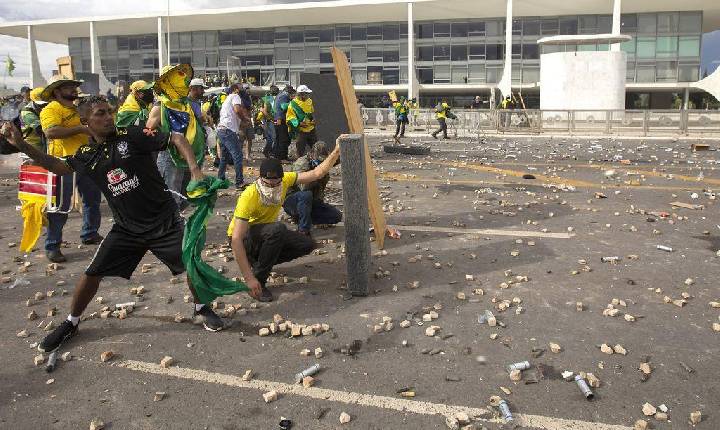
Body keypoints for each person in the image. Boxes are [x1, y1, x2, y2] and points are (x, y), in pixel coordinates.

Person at [1, 97, 240, 352]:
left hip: (164, 222)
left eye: (109, 112)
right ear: (85, 122)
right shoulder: (86, 154)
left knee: (191, 265)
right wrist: (22, 144)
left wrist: (195, 171)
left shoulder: (134, 135)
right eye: (100, 114)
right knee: (92, 273)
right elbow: (57, 166)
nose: (108, 118)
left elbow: (178, 139)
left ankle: (201, 307)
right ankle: (71, 322)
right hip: (126, 229)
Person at [228, 145, 341, 302]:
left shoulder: (286, 179)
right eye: (268, 183)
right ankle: (258, 281)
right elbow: (236, 239)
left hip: (265, 233)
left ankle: (260, 263)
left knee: (306, 244)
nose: (273, 187)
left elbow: (317, 173)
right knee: (277, 229)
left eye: (276, 183)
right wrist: (249, 279)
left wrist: (336, 151)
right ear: (260, 179)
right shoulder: (249, 196)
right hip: (245, 239)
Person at [39, 76, 103, 263]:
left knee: (92, 199)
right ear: (57, 91)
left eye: (75, 87)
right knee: (60, 206)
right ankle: (53, 245)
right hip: (63, 163)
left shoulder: (77, 109)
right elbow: (51, 132)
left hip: (85, 160)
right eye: (69, 87)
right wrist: (81, 129)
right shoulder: (51, 109)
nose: (74, 90)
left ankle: (90, 233)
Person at [147, 64, 206, 211]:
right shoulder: (160, 105)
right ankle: (170, 226)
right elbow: (148, 131)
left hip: (186, 156)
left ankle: (175, 220)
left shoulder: (183, 104)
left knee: (181, 193)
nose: (182, 82)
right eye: (177, 78)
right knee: (170, 194)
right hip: (169, 156)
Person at [283, 141, 342, 236]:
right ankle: (303, 231)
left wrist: (338, 149)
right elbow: (303, 188)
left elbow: (336, 159)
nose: (321, 163)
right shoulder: (302, 163)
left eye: (324, 161)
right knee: (306, 195)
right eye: (319, 160)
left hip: (311, 202)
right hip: (294, 200)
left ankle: (303, 218)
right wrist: (317, 174)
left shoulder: (322, 162)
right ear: (312, 155)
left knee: (336, 216)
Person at [216, 83, 248, 189]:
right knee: (237, 156)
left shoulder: (227, 99)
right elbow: (237, 110)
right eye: (241, 87)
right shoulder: (235, 96)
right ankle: (239, 182)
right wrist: (244, 119)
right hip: (228, 130)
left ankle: (220, 179)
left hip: (221, 130)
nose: (242, 89)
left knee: (224, 157)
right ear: (235, 89)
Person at [286, 84, 316, 158]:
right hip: (301, 131)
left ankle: (316, 163)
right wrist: (299, 123)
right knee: (300, 149)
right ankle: (300, 164)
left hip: (311, 129)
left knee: (315, 147)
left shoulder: (309, 101)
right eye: (306, 94)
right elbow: (290, 117)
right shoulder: (293, 104)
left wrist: (314, 119)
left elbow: (311, 112)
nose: (308, 96)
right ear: (301, 94)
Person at [19, 87, 48, 152]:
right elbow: (41, 129)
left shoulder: (48, 107)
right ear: (33, 101)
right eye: (41, 104)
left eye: (45, 103)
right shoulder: (26, 112)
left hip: (44, 143)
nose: (43, 106)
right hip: (33, 146)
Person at [273, 85, 294, 162]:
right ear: (289, 91)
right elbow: (284, 107)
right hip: (281, 119)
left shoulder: (279, 95)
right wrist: (292, 102)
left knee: (278, 138)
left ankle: (277, 156)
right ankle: (283, 157)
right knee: (284, 138)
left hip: (276, 119)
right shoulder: (284, 96)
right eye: (291, 93)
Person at [261, 85, 278, 159]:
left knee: (270, 138)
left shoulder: (269, 98)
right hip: (269, 121)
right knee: (273, 138)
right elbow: (264, 110)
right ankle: (270, 152)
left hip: (269, 120)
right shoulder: (268, 99)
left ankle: (267, 151)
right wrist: (270, 119)